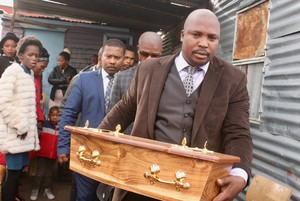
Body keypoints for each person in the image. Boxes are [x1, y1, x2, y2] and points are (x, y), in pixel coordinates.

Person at [99, 9, 253, 201]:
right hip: (141, 183)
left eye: (212, 38)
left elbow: (238, 132)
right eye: (196, 35)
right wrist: (93, 144)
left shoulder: (233, 79)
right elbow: (123, 111)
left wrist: (240, 173)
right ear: (182, 35)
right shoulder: (149, 69)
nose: (204, 43)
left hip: (197, 188)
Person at [57, 39, 126, 201]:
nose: (112, 61)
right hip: (86, 150)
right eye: (108, 56)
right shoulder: (84, 79)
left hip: (117, 154)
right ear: (101, 56)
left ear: (123, 59)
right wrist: (63, 146)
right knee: (86, 195)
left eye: (117, 57)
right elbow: (69, 112)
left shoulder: (131, 82)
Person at [0, 36, 42, 201]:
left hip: (23, 136)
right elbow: (3, 101)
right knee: (12, 175)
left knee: (18, 175)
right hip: (15, 133)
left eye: (36, 55)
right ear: (20, 55)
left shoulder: (29, 74)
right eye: (30, 54)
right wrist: (21, 126)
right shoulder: (13, 71)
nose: (34, 58)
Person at [109, 31, 163, 134]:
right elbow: (113, 115)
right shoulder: (121, 77)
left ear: (161, 53)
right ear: (138, 50)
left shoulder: (167, 78)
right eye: (144, 54)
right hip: (125, 139)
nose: (149, 59)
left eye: (155, 56)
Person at [30, 106, 59, 200]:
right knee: (40, 172)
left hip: (53, 155)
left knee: (49, 173)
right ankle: (35, 189)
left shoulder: (61, 128)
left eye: (57, 115)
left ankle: (47, 189)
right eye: (53, 115)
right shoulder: (44, 125)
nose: (55, 117)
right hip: (42, 154)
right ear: (49, 116)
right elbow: (37, 132)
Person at [32, 47, 50, 134]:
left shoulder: (38, 77)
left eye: (45, 68)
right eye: (42, 67)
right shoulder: (21, 75)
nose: (43, 70)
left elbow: (37, 102)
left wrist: (39, 120)